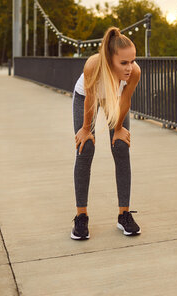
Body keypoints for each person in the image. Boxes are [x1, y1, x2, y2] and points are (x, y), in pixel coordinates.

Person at [70, 26, 141, 240]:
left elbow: (125, 100)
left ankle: (124, 215)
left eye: (133, 60)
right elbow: (91, 100)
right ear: (110, 59)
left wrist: (118, 129)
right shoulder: (93, 65)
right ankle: (81, 217)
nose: (130, 67)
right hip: (86, 98)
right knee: (85, 148)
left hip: (114, 99)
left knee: (121, 147)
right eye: (124, 63)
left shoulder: (134, 73)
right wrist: (85, 129)